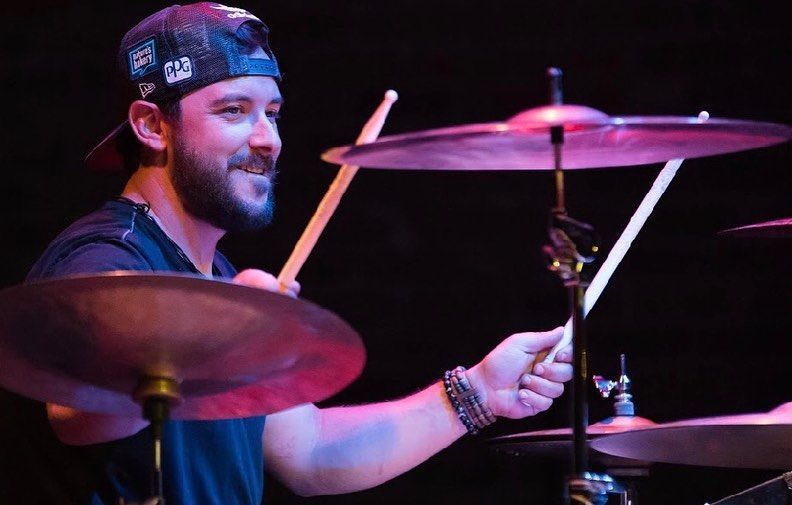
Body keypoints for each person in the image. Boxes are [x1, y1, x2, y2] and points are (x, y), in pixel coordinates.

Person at [0, 3, 573, 504]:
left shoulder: (211, 274)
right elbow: (79, 412)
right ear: (153, 126)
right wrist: (214, 333)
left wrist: (476, 393)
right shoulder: (106, 258)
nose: (267, 138)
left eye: (271, 113)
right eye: (233, 111)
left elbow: (308, 453)